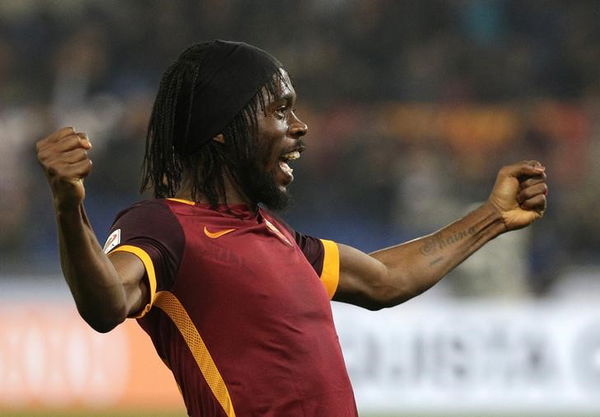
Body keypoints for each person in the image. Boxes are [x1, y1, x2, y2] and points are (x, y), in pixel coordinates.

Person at [36, 40, 548, 417]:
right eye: (281, 111)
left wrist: (493, 216)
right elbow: (105, 303)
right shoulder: (164, 226)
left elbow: (384, 279)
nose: (300, 125)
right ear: (222, 127)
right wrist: (68, 206)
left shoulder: (276, 236)